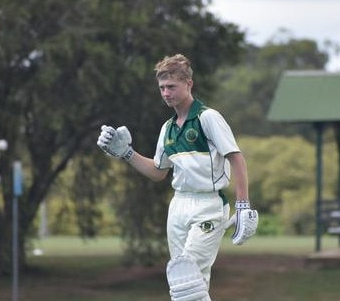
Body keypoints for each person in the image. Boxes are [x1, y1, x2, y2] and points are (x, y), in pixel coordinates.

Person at [97, 54, 258, 301]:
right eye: (162, 88)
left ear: (188, 84)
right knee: (184, 284)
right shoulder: (167, 129)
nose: (166, 93)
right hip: (179, 205)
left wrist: (244, 205)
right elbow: (158, 172)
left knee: (188, 277)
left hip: (209, 205)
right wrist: (126, 153)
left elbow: (236, 158)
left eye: (171, 87)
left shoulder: (208, 118)